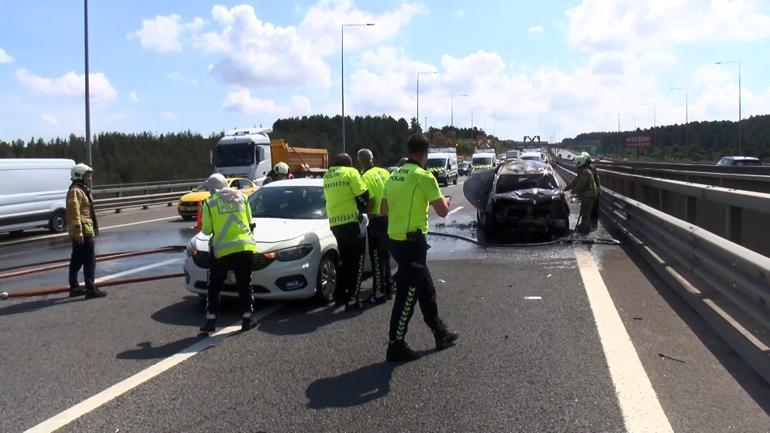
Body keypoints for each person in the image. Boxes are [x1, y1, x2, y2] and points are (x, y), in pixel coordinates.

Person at [381, 134, 458, 362]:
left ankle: (440, 332)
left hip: (396, 241)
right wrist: (446, 200)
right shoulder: (423, 176)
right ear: (426, 153)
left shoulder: (394, 176)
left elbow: (384, 209)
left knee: (426, 289)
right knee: (407, 296)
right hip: (412, 244)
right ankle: (395, 345)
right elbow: (443, 211)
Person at [199, 173, 258, 333]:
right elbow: (249, 220)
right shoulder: (242, 197)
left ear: (213, 189)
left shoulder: (210, 203)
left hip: (222, 250)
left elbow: (206, 230)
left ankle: (211, 322)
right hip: (245, 247)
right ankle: (247, 319)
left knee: (215, 285)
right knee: (244, 284)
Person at [323, 153, 371, 311]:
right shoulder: (350, 172)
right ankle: (352, 297)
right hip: (351, 222)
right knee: (356, 263)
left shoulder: (328, 175)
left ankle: (339, 296)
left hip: (335, 224)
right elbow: (364, 194)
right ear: (348, 164)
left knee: (344, 261)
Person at [66, 163, 107, 299]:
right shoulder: (76, 191)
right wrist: (78, 231)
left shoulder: (81, 189)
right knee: (89, 260)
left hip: (83, 230)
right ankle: (90, 289)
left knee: (77, 260)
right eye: (87, 175)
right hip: (83, 231)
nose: (90, 178)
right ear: (79, 176)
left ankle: (75, 288)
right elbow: (74, 212)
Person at [357, 148, 393, 302]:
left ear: (360, 161)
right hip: (389, 219)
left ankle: (379, 292)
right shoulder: (384, 172)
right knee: (386, 255)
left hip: (376, 220)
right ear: (372, 158)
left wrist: (366, 213)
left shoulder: (365, 177)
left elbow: (370, 201)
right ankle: (389, 287)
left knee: (376, 257)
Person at [564, 154, 597, 235]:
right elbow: (574, 182)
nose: (575, 166)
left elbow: (580, 184)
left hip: (589, 195)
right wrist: (566, 188)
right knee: (583, 211)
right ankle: (583, 226)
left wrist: (572, 191)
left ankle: (586, 229)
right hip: (587, 195)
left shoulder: (585, 172)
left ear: (579, 163)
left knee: (586, 212)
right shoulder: (582, 171)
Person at [581, 152, 601, 229]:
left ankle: (587, 224)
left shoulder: (588, 169)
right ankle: (592, 224)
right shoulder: (592, 167)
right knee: (594, 208)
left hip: (592, 191)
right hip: (595, 190)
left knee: (588, 208)